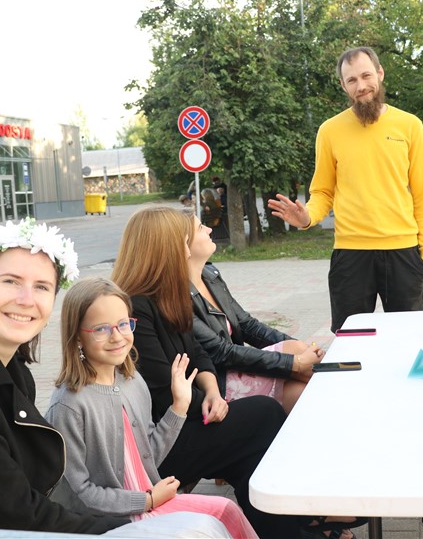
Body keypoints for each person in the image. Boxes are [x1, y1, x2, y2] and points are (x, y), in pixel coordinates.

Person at [0, 218, 228, 538]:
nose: (26, 300)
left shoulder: (11, 370)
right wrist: (130, 527)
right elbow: (19, 513)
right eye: (10, 281)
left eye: (42, 287)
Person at [111, 206, 304, 539]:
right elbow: (164, 391)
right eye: (182, 244)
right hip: (162, 441)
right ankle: (299, 523)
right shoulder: (135, 307)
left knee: (252, 451)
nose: (188, 252)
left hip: (189, 414)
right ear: (164, 250)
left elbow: (199, 354)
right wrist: (207, 400)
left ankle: (289, 526)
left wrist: (213, 392)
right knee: (264, 414)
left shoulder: (166, 295)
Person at [47, 277, 257, 538]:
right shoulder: (68, 405)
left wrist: (179, 407)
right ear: (77, 335)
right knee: (205, 529)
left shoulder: (132, 381)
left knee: (227, 510)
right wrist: (147, 500)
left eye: (123, 324)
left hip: (151, 499)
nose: (117, 337)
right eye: (101, 329)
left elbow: (149, 457)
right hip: (113, 521)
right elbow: (81, 493)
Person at [268, 46, 423, 334]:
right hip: (351, 254)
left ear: (380, 73)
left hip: (403, 253)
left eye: (366, 75)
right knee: (350, 341)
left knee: (407, 339)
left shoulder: (410, 126)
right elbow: (323, 192)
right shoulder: (329, 130)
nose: (361, 86)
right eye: (352, 80)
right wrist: (307, 217)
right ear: (343, 85)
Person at [187, 212, 323, 414]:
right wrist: (295, 362)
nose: (209, 230)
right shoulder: (177, 298)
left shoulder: (210, 274)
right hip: (220, 383)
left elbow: (248, 326)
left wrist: (305, 353)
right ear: (183, 246)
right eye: (200, 228)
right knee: (305, 373)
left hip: (240, 366)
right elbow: (222, 352)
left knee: (300, 386)